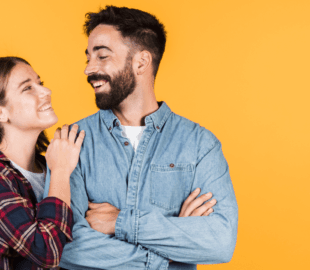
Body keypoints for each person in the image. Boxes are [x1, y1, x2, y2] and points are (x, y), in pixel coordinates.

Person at [44, 5, 238, 270]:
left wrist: (120, 222)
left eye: (102, 56)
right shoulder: (72, 142)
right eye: (88, 57)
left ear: (141, 62)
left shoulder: (199, 145)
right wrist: (170, 252)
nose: (89, 69)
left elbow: (219, 242)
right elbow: (64, 246)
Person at [0, 57, 85, 270]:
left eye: (40, 82)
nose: (46, 91)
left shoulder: (53, 163)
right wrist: (61, 171)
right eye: (28, 88)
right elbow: (47, 251)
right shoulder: (60, 166)